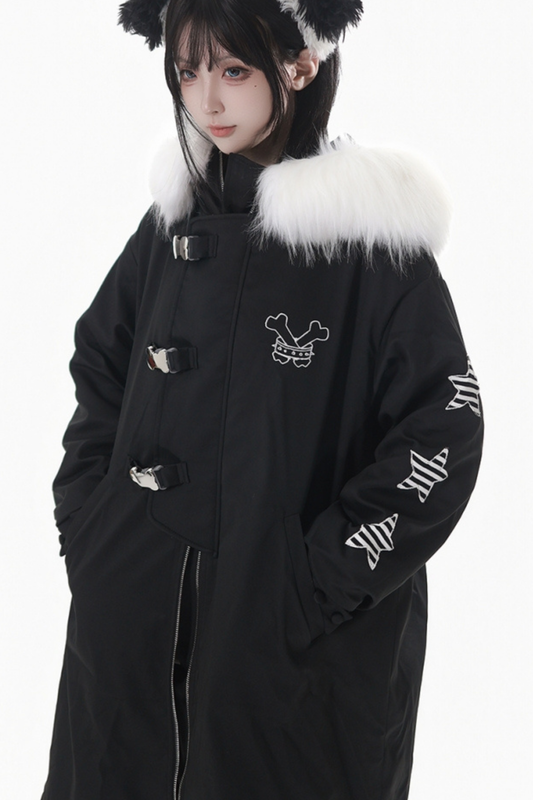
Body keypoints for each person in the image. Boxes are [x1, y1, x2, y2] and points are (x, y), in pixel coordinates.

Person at [41, 1, 484, 799]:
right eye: (187, 72)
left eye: (233, 70)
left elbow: (442, 424)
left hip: (291, 645)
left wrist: (319, 581)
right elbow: (100, 364)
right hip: (131, 617)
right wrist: (91, 523)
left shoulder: (368, 241)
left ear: (299, 65)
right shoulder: (170, 225)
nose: (206, 99)